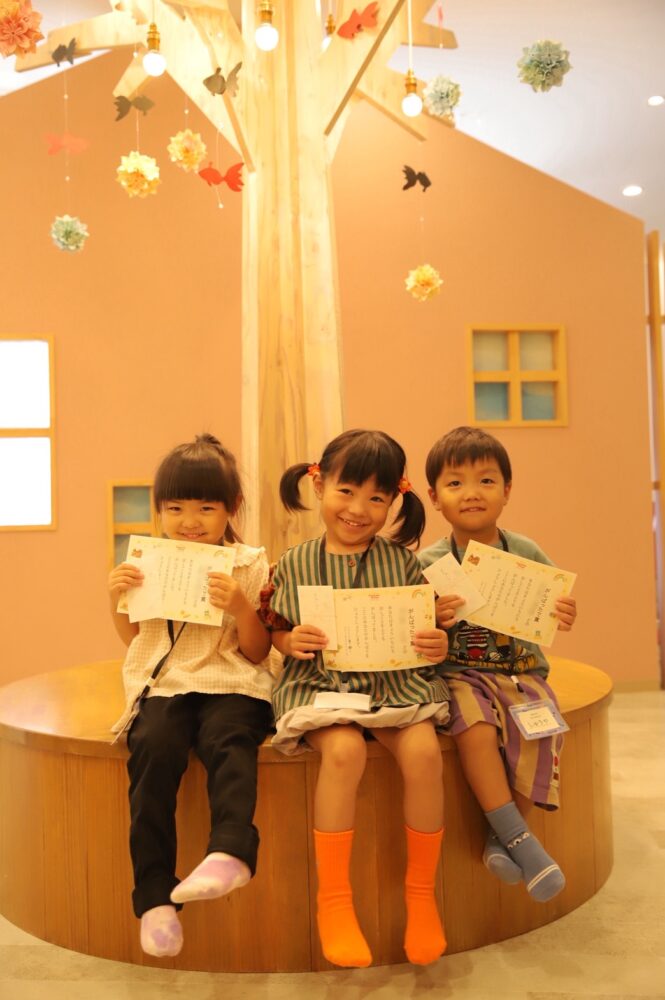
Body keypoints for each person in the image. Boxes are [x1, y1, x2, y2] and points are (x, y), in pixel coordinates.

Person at [265, 429, 450, 968]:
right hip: (319, 684)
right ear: (319, 484)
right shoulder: (293, 563)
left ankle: (422, 896)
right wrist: (288, 641)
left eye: (376, 498)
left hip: (394, 684)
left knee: (424, 753)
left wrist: (437, 641)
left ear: (394, 501)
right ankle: (334, 901)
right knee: (343, 752)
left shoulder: (406, 563)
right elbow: (275, 629)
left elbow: (430, 630)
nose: (358, 509)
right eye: (346, 491)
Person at [108, 434, 273, 959]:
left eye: (206, 507)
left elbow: (257, 653)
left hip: (232, 679)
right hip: (168, 681)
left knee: (229, 738)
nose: (190, 521)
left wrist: (242, 608)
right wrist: (116, 599)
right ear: (159, 510)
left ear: (231, 508)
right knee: (153, 746)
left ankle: (230, 853)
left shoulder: (249, 563)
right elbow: (137, 641)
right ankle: (155, 897)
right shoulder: (148, 561)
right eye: (175, 508)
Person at [419, 425, 577, 903]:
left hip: (523, 671)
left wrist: (564, 611)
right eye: (455, 483)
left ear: (507, 490)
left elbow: (553, 603)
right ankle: (522, 842)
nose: (472, 493)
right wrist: (434, 617)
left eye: (486, 481)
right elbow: (416, 633)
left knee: (544, 729)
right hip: (461, 675)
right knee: (477, 726)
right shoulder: (428, 562)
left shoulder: (524, 551)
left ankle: (506, 839)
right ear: (435, 497)